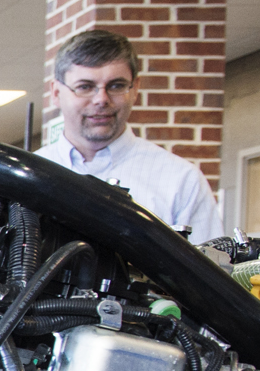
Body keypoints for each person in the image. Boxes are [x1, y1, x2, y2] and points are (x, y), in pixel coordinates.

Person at [37, 28, 224, 241]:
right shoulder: (27, 174)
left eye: (116, 86)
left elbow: (205, 270)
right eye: (85, 87)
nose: (101, 99)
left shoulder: (181, 181)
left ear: (135, 89)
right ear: (55, 93)